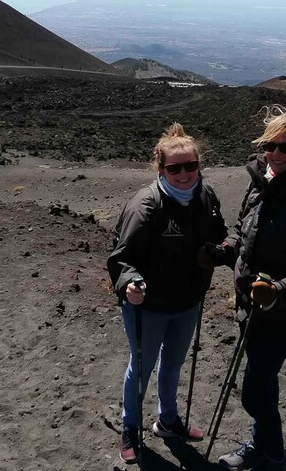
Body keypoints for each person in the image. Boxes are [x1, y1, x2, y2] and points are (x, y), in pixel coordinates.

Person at [206, 106, 286, 471]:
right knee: (263, 385)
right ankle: (264, 448)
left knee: (253, 391)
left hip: (283, 315)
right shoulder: (260, 182)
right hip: (249, 307)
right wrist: (223, 251)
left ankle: (273, 456)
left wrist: (278, 289)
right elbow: (242, 233)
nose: (276, 153)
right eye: (270, 145)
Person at [108, 123, 228, 464]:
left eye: (191, 166)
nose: (184, 174)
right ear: (161, 169)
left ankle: (168, 420)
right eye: (174, 168)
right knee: (142, 367)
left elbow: (220, 235)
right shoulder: (146, 205)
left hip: (188, 301)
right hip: (148, 306)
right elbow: (121, 257)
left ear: (199, 165)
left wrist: (218, 251)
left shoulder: (206, 197)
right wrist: (129, 282)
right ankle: (131, 426)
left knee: (174, 364)